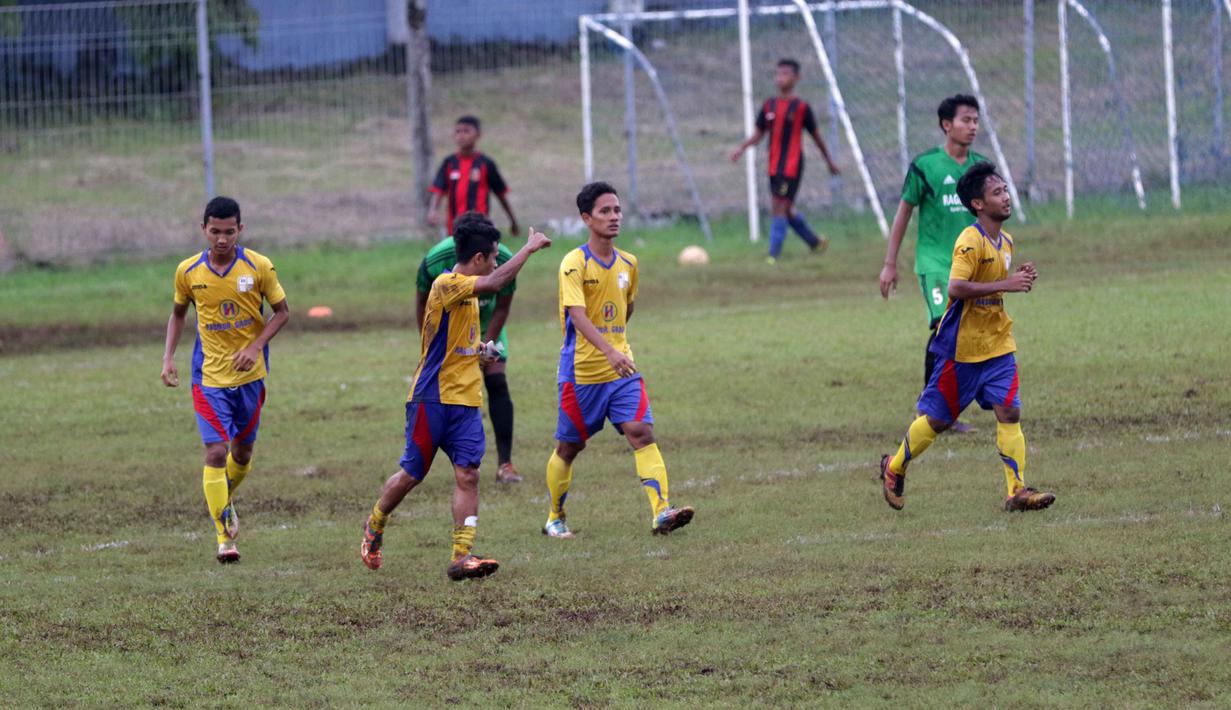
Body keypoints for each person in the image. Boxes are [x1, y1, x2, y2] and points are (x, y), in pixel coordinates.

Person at [360, 220, 552, 579]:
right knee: (412, 474)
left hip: (465, 401)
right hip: (430, 399)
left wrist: (482, 351)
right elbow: (497, 282)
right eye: (494, 257)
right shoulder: (446, 284)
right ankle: (375, 523)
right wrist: (528, 249)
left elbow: (459, 342)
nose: (496, 264)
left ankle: (461, 556)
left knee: (469, 474)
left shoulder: (470, 297)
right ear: (478, 258)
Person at [878, 162, 1055, 513]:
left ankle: (1016, 490)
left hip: (998, 344)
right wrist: (1007, 284)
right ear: (977, 203)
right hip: (962, 350)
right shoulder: (969, 241)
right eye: (997, 192)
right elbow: (957, 288)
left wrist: (1016, 275)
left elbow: (991, 285)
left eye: (1006, 190)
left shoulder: (1005, 241)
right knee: (938, 421)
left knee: (1009, 411)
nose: (1006, 197)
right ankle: (894, 467)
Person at [542, 182, 694, 539]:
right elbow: (577, 316)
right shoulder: (573, 263)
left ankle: (662, 513)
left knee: (642, 433)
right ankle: (554, 517)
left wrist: (617, 349)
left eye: (617, 210)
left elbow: (627, 309)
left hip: (622, 370)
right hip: (581, 374)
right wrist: (607, 350)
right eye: (605, 212)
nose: (614, 217)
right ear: (586, 218)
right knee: (570, 446)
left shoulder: (629, 263)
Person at [161, 196, 291, 564]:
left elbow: (282, 312)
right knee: (216, 451)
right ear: (204, 229)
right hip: (208, 377)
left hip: (251, 376)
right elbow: (177, 315)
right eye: (215, 231)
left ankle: (222, 498)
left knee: (242, 454)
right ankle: (224, 537)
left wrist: (256, 345)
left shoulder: (259, 266)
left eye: (229, 232)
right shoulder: (188, 272)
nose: (221, 239)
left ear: (240, 230)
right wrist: (168, 357)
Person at [879, 94, 990, 433]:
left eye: (975, 120)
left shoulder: (981, 167)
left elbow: (992, 214)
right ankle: (931, 410)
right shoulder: (925, 166)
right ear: (946, 124)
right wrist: (889, 263)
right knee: (944, 325)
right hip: (934, 262)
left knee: (967, 333)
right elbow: (903, 213)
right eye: (965, 120)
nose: (972, 126)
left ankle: (947, 406)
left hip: (970, 265)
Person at [417, 212, 522, 484]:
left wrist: (486, 345)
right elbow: (422, 302)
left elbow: (502, 305)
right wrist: (430, 343)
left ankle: (505, 464)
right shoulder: (437, 260)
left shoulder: (503, 258)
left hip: (486, 322)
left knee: (497, 380)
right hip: (449, 323)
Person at [730, 58, 840, 264]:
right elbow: (759, 133)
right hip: (773, 165)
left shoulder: (801, 108)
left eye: (786, 74)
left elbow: (817, 137)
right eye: (778, 74)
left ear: (796, 78)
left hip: (791, 166)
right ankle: (814, 242)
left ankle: (773, 254)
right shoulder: (769, 105)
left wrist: (829, 162)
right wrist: (742, 148)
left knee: (778, 207)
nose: (780, 78)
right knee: (787, 210)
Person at [428, 115, 519, 236]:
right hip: (454, 228)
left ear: (478, 135)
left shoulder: (486, 163)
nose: (461, 135)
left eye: (466, 131)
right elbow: (438, 189)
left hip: (480, 229)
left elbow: (500, 194)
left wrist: (512, 220)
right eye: (458, 131)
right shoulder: (449, 162)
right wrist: (433, 210)